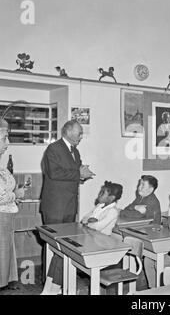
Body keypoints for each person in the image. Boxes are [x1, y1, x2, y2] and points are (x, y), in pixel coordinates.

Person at [40, 119, 95, 295]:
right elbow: (54, 173)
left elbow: (72, 174)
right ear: (69, 132)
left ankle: (55, 285)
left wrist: (83, 174)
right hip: (55, 206)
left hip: (70, 206)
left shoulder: (75, 152)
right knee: (55, 246)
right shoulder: (53, 149)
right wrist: (78, 173)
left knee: (65, 246)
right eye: (79, 133)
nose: (81, 137)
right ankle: (50, 284)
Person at [0, 119, 26, 291]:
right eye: (4, 138)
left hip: (7, 214)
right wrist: (14, 195)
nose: (8, 143)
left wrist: (14, 196)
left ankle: (3, 281)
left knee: (5, 250)